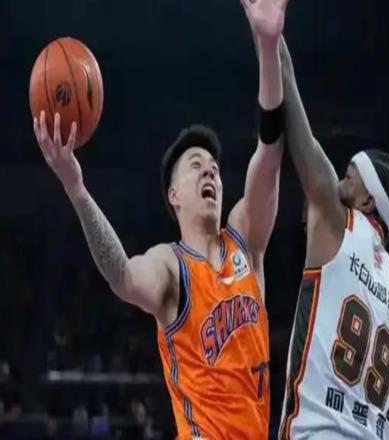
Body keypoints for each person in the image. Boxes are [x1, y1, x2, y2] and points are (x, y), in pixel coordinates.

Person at [32, 0, 289, 436]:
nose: (209, 172)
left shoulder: (246, 240)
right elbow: (123, 276)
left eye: (214, 168)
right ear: (174, 196)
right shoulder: (171, 266)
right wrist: (77, 189)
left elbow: (270, 152)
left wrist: (267, 46)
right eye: (196, 165)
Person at [277, 37, 389, 440]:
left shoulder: (339, 223)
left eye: (348, 175)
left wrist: (271, 38)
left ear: (367, 201)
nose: (339, 179)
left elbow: (300, 134)